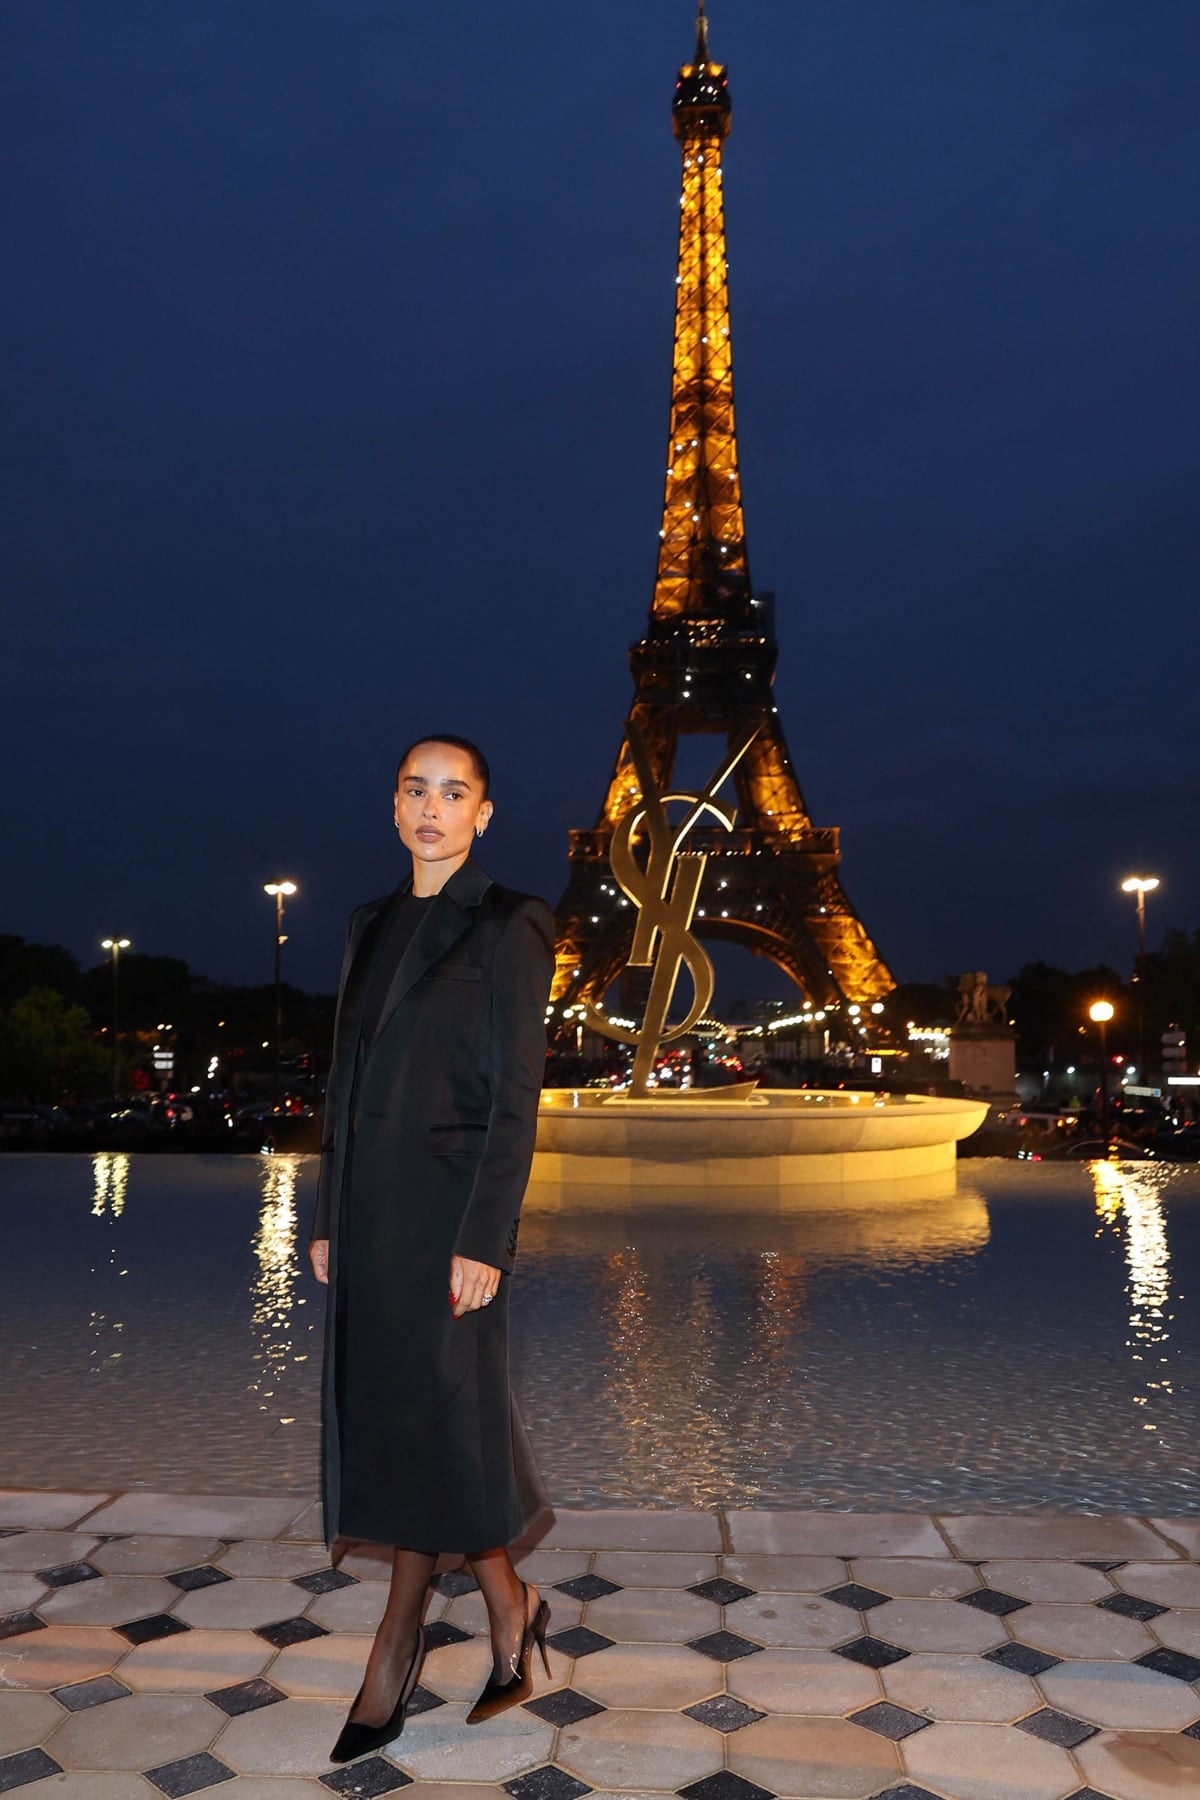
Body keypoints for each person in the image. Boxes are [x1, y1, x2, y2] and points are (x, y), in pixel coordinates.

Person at [308, 734, 556, 1764]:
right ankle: (509, 1601)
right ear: (394, 803)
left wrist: (486, 1238)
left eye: (454, 794)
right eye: (416, 789)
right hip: (372, 1220)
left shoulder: (511, 925)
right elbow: (344, 1083)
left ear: (484, 814)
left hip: (454, 1224)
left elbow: (515, 1100)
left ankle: (398, 1639)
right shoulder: (369, 922)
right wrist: (329, 1211)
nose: (432, 808)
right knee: (415, 1420)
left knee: (442, 1418)